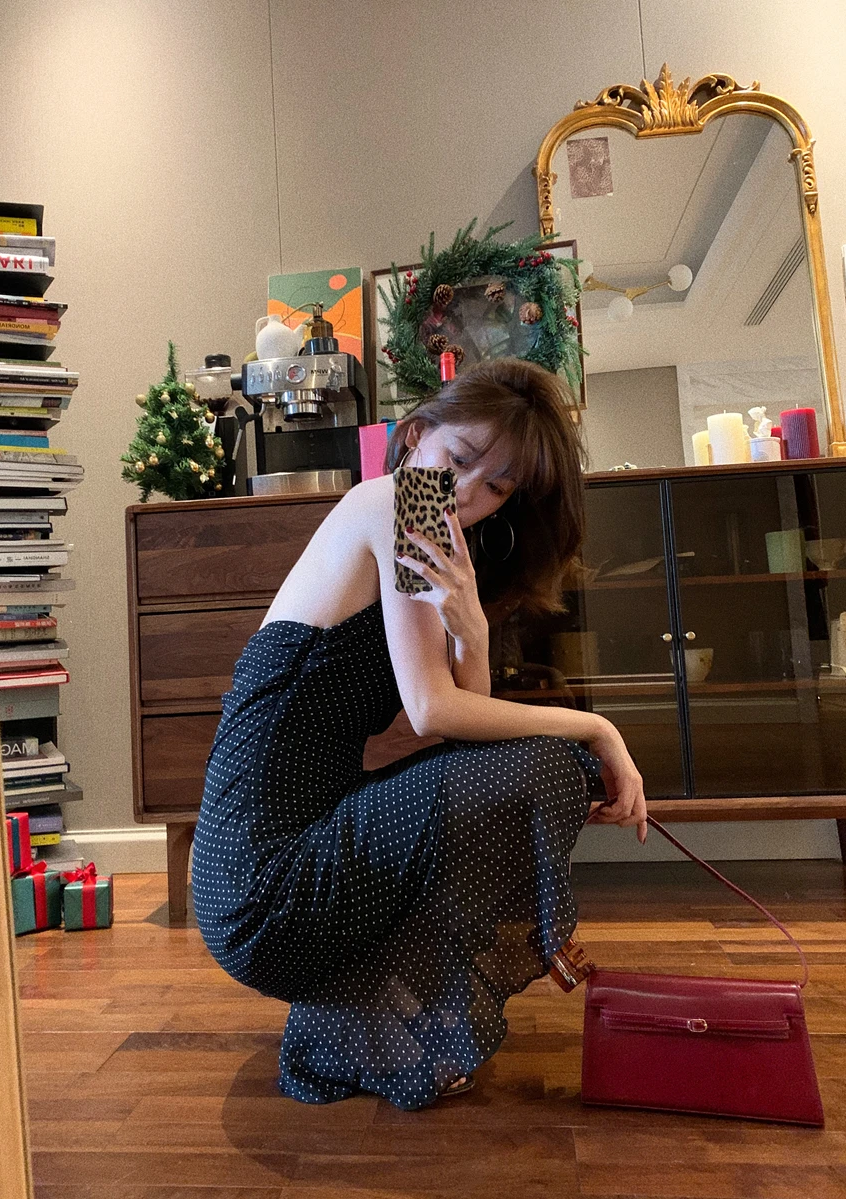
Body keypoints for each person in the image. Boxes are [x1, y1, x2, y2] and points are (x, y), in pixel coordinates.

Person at [191, 357, 647, 1111]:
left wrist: (472, 632)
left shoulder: (438, 537)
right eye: (459, 461)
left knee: (532, 765)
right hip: (260, 883)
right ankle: (352, 1020)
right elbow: (436, 713)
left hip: (290, 858)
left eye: (498, 486)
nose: (469, 493)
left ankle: (367, 1010)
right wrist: (598, 727)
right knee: (553, 761)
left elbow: (469, 735)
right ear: (414, 436)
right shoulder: (398, 501)